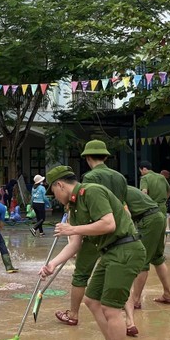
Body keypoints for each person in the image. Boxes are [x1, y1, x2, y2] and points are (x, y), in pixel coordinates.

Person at [40, 166, 145, 340]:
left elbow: (108, 224)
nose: (55, 198)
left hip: (125, 250)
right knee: (91, 300)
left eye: (54, 192)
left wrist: (72, 229)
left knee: (111, 308)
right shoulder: (75, 207)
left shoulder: (91, 191)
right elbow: (75, 244)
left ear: (60, 185)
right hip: (109, 252)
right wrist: (52, 263)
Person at [54, 140, 127, 327]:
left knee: (81, 274)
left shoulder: (89, 180)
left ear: (87, 158)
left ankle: (73, 313)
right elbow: (123, 205)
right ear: (105, 156)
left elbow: (86, 204)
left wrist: (74, 228)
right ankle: (129, 321)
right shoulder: (120, 177)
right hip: (122, 233)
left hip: (97, 230)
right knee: (119, 280)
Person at [122, 185, 170, 336]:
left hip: (147, 220)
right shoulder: (128, 188)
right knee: (158, 258)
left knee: (142, 261)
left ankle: (136, 300)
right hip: (158, 216)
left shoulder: (115, 191)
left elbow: (125, 214)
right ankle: (168, 294)